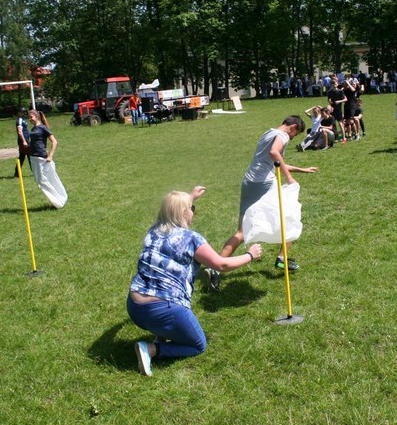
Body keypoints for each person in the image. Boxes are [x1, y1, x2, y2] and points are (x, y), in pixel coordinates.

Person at [127, 187, 263, 376]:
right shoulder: (191, 239)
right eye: (192, 208)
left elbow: (172, 209)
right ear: (183, 212)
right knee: (198, 345)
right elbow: (221, 264)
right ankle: (151, 350)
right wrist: (250, 255)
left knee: (162, 284)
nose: (193, 212)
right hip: (163, 309)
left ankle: (160, 337)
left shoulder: (154, 230)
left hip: (134, 307)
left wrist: (189, 198)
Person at [214, 116, 318, 275]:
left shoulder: (268, 133)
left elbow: (275, 162)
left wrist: (301, 169)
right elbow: (274, 153)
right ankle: (281, 259)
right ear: (293, 127)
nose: (292, 138)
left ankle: (214, 268)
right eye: (295, 134)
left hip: (249, 182)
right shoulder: (283, 135)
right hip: (265, 183)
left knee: (241, 232)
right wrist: (289, 178)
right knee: (290, 218)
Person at [28, 110, 68, 209]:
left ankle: (58, 201)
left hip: (41, 157)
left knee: (43, 181)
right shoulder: (33, 129)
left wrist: (50, 155)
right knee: (40, 181)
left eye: (31, 117)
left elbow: (54, 142)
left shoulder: (43, 128)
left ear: (36, 117)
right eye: (29, 117)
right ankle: (58, 200)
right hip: (33, 157)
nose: (29, 119)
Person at [14, 107, 31, 177]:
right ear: (19, 112)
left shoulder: (23, 119)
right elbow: (20, 131)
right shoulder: (19, 120)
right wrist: (24, 141)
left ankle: (17, 173)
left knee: (22, 157)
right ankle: (34, 170)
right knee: (30, 155)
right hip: (23, 140)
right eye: (22, 112)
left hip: (26, 139)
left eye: (24, 112)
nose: (24, 113)